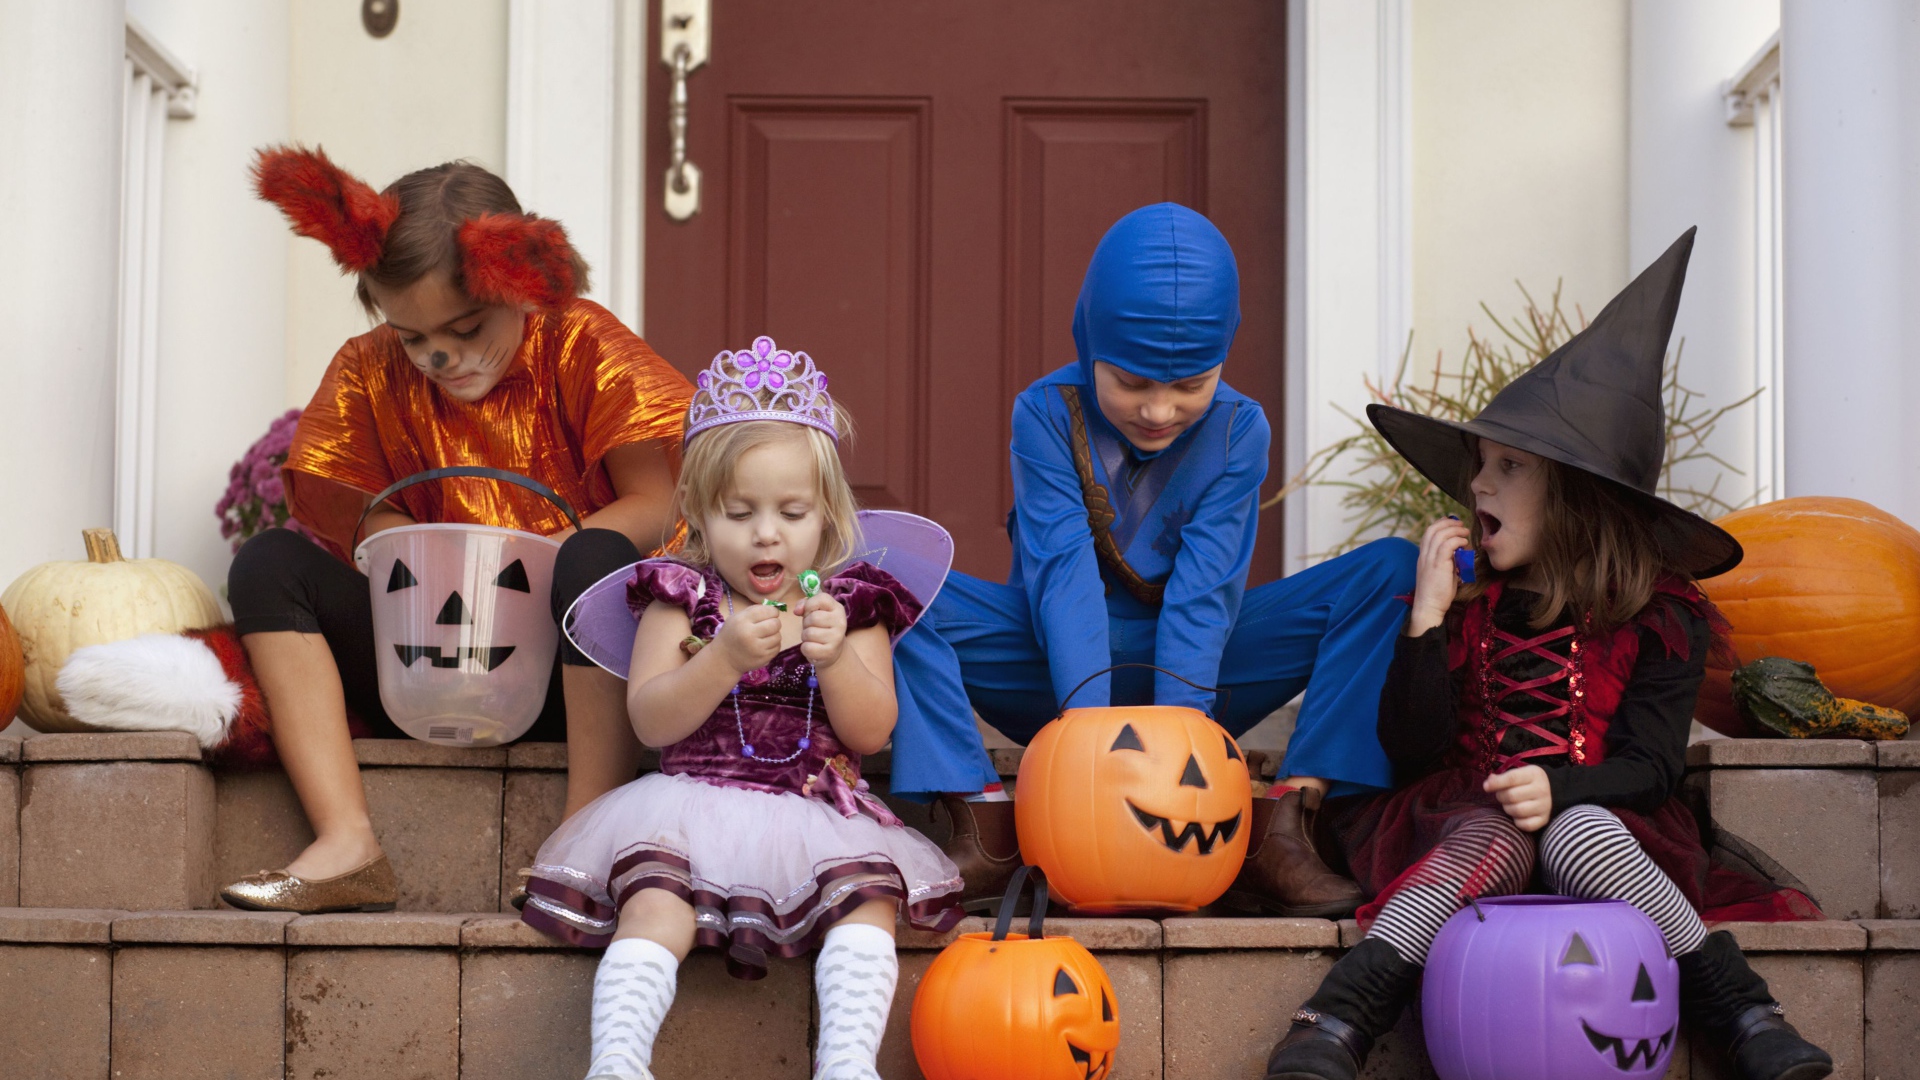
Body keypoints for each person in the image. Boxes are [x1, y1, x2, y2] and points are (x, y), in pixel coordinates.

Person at [1263, 230, 1830, 1080]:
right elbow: (1410, 749)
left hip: (1605, 821)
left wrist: (1561, 789)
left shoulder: (1660, 617)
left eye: (1508, 466)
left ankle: (1747, 1014)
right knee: (1497, 827)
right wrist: (1425, 622)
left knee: (1576, 827)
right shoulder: (1467, 605)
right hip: (1465, 821)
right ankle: (1335, 1020)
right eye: (1479, 465)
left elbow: (1651, 768)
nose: (1477, 485)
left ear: (1577, 496)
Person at [890, 203, 1417, 915]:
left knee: (1390, 572)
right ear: (1090, 344)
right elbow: (1063, 575)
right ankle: (985, 826)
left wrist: (1177, 754)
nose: (1160, 411)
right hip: (1048, 672)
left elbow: (1207, 594)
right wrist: (1090, 755)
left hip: (1203, 676)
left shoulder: (1239, 429)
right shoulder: (1045, 414)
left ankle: (1283, 829)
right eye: (1133, 383)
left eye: (1190, 385)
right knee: (888, 578)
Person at [219, 146, 692, 914]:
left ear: (524, 285)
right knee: (268, 563)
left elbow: (658, 501)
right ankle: (346, 843)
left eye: (467, 327)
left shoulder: (580, 343)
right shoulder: (370, 369)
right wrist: (424, 557)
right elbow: (370, 521)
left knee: (594, 557)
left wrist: (533, 563)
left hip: (571, 674)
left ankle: (585, 835)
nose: (441, 355)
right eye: (413, 337)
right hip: (431, 663)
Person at [520, 338, 963, 1080]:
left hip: (815, 813)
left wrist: (836, 659)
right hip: (687, 806)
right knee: (653, 904)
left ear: (827, 517)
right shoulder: (682, 599)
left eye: (792, 512)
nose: (766, 532)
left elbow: (872, 730)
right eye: (739, 512)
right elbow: (651, 721)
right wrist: (721, 658)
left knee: (867, 905)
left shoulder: (852, 607)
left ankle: (847, 1064)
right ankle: (617, 1062)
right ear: (698, 514)